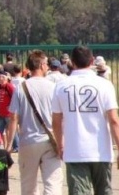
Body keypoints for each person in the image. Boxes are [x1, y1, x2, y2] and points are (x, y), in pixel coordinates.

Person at [51, 45, 119, 195]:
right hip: (101, 151)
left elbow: (56, 121)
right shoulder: (105, 85)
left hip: (75, 150)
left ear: (72, 62)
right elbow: (114, 120)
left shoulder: (61, 86)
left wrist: (60, 144)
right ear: (92, 60)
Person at [4, 50, 62, 195]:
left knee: (28, 185)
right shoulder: (53, 88)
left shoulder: (21, 88)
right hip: (50, 140)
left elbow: (13, 118)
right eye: (46, 63)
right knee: (52, 183)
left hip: (28, 140)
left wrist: (10, 144)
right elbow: (59, 117)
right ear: (42, 65)